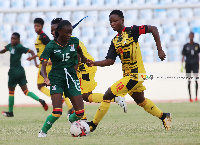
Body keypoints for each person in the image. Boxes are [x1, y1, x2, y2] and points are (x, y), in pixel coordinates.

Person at [86, 10, 171, 132]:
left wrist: (160, 50)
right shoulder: (115, 41)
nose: (112, 24)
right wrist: (94, 63)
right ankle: (165, 116)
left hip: (137, 75)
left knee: (108, 95)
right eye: (110, 22)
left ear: (122, 21)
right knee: (140, 100)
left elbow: (153, 28)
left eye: (115, 21)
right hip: (129, 75)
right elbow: (110, 60)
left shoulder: (132, 31)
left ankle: (93, 125)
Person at [51, 18, 128, 118]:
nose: (53, 32)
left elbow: (77, 56)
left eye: (55, 30)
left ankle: (81, 118)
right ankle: (116, 99)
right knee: (86, 96)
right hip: (84, 67)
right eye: (51, 30)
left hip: (84, 68)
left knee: (79, 94)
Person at [38, 20, 88, 137]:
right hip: (56, 79)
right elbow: (43, 67)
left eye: (70, 33)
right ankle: (43, 132)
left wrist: (85, 61)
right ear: (59, 32)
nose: (69, 35)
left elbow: (80, 53)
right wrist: (45, 77)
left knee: (80, 113)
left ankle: (71, 119)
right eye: (67, 33)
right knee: (57, 112)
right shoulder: (50, 46)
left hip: (71, 78)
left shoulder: (74, 42)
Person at [0, 32, 48, 117]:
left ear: (18, 40)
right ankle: (40, 100)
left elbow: (32, 51)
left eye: (14, 39)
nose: (12, 40)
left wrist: (35, 62)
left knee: (11, 92)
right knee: (26, 91)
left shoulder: (19, 47)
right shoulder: (10, 46)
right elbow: (3, 51)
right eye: (11, 38)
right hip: (21, 71)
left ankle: (10, 112)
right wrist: (35, 62)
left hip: (13, 72)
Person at [27, 18, 52, 98]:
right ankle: (69, 106)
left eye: (38, 26)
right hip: (43, 63)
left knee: (40, 86)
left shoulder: (43, 36)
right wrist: (33, 58)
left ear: (42, 27)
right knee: (56, 85)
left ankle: (57, 97)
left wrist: (51, 59)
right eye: (35, 26)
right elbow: (41, 52)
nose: (36, 28)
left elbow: (52, 47)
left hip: (46, 63)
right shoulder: (39, 37)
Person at [181, 32, 200, 102]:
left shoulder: (197, 45)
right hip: (188, 65)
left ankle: (196, 97)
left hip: (195, 65)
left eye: (192, 35)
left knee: (196, 80)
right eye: (190, 36)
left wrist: (198, 63)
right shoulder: (186, 46)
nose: (191, 37)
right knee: (189, 81)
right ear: (189, 36)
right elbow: (183, 56)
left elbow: (198, 55)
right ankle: (190, 97)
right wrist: (182, 65)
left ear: (194, 36)